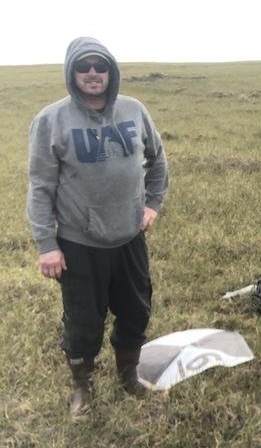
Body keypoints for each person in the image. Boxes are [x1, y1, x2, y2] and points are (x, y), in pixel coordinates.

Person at [26, 37, 169, 417]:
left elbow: (157, 161)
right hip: (79, 242)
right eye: (84, 66)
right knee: (83, 321)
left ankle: (129, 377)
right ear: (72, 73)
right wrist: (46, 244)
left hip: (129, 238)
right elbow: (40, 186)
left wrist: (152, 203)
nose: (93, 73)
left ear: (111, 72)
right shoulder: (50, 121)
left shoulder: (134, 110)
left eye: (100, 66)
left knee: (136, 310)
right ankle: (81, 387)